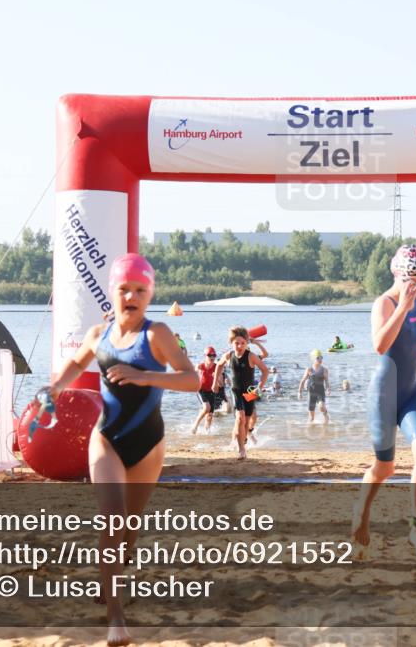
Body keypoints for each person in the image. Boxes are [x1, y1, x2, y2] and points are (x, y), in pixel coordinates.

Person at [40, 253, 197, 646]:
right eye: (124, 288)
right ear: (112, 291)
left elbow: (193, 380)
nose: (131, 295)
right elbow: (76, 365)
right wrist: (56, 389)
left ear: (150, 294)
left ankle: (108, 579)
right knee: (113, 521)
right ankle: (116, 619)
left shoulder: (157, 334)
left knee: (129, 528)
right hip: (106, 439)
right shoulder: (99, 335)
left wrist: (144, 376)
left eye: (140, 290)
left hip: (149, 445)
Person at [354, 244, 416, 560]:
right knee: (384, 467)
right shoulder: (382, 303)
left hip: (412, 390)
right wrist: (401, 307)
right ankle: (361, 510)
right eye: (412, 281)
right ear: (398, 274)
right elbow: (380, 345)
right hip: (385, 394)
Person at [214, 326, 269, 459]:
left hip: (250, 392)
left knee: (247, 420)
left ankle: (242, 441)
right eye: (236, 343)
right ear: (231, 343)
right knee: (240, 418)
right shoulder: (229, 355)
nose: (239, 346)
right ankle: (242, 450)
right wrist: (215, 381)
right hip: (236, 391)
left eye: (243, 343)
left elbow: (265, 371)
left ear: (246, 343)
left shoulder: (251, 356)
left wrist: (259, 387)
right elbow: (219, 365)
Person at [298, 349, 330, 424]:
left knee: (321, 407)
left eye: (321, 357)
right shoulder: (309, 369)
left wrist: (328, 388)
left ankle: (326, 418)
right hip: (311, 392)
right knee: (311, 417)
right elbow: (302, 381)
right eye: (318, 358)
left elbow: (326, 381)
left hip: (320, 391)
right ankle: (310, 428)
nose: (320, 359)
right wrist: (299, 392)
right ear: (313, 359)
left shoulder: (324, 370)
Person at [192, 347, 219, 434]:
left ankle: (207, 432)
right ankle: (195, 425)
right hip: (201, 389)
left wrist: (218, 378)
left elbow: (221, 382)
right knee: (207, 408)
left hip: (211, 391)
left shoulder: (216, 367)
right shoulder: (201, 366)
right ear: (205, 356)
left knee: (210, 415)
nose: (212, 357)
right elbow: (192, 374)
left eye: (214, 355)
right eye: (209, 355)